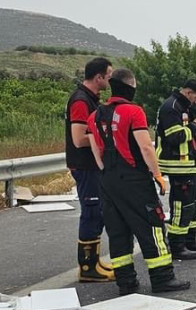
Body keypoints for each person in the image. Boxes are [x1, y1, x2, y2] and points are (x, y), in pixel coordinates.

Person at [86, 68, 190, 295]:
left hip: (108, 180)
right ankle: (162, 277)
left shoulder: (94, 116)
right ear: (130, 86)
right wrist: (157, 175)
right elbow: (145, 147)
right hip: (134, 179)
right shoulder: (133, 111)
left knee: (118, 231)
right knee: (152, 227)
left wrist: (106, 173)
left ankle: (126, 282)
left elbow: (96, 151)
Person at [65, 57, 116, 282]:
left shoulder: (91, 99)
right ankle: (87, 268)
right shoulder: (80, 101)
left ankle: (94, 262)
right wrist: (106, 137)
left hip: (93, 165)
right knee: (91, 212)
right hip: (85, 165)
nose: (110, 80)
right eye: (109, 76)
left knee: (97, 213)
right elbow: (78, 138)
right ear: (98, 77)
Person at [155, 79, 196, 260]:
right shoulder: (171, 107)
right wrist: (195, 126)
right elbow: (174, 136)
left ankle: (189, 240)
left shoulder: (183, 106)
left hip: (190, 164)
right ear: (188, 92)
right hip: (177, 165)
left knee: (195, 205)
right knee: (182, 206)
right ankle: (177, 245)